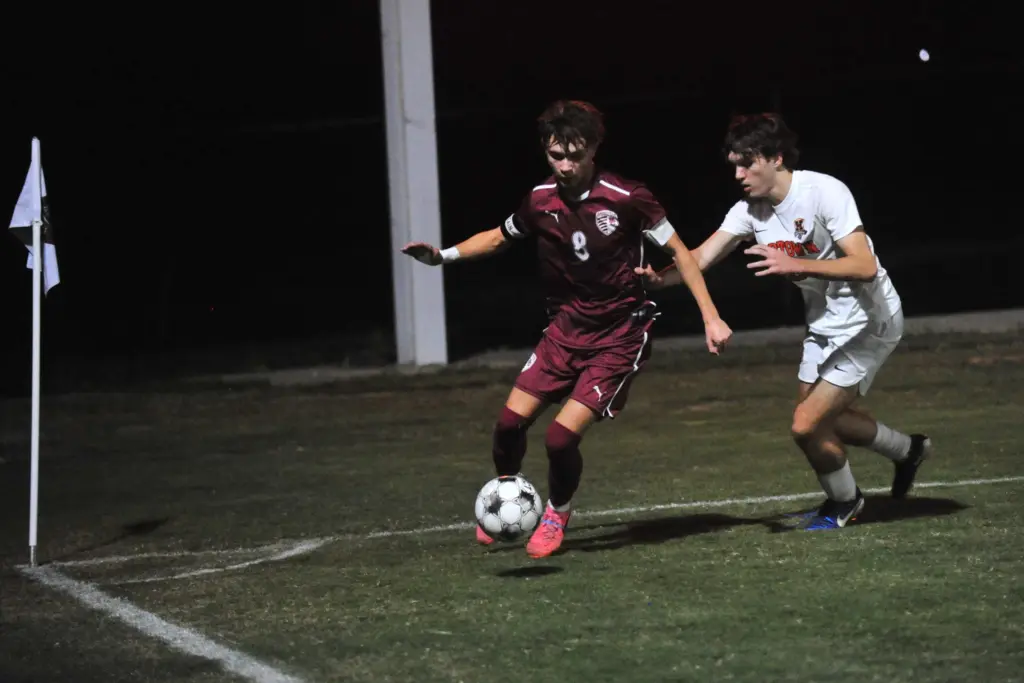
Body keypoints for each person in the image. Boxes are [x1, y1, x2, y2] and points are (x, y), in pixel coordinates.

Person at [403, 100, 733, 557]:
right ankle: (507, 497)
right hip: (564, 331)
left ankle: (557, 512)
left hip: (619, 335)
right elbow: (499, 237)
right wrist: (442, 256)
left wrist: (710, 316)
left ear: (594, 149)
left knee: (559, 438)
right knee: (507, 426)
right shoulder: (540, 200)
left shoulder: (627, 197)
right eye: (556, 155)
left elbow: (680, 252)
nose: (565, 166)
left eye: (575, 156)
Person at [636, 112, 932, 531]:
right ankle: (908, 450)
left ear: (776, 158)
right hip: (824, 325)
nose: (738, 175)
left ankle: (846, 501)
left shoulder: (824, 192)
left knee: (806, 425)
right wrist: (660, 280)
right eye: (734, 165)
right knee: (824, 419)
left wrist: (795, 263)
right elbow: (699, 258)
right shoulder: (749, 211)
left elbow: (865, 266)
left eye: (747, 164)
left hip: (870, 322)